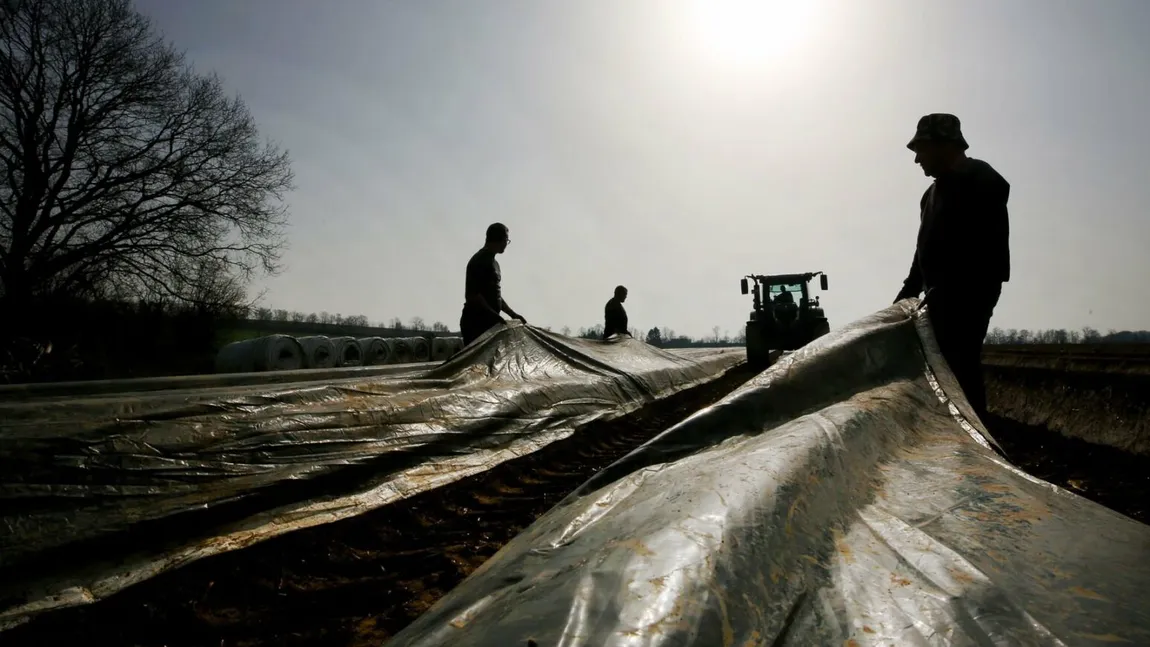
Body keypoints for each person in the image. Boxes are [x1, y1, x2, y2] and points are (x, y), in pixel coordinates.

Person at [894, 113, 1010, 417]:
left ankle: (977, 442)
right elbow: (922, 252)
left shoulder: (982, 179)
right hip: (938, 298)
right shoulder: (929, 196)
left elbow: (985, 250)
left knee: (959, 368)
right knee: (937, 374)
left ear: (943, 146)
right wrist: (906, 296)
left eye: (921, 149)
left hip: (969, 296)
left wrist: (951, 291)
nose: (917, 159)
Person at [459, 222, 526, 346]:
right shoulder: (479, 260)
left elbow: (496, 296)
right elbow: (473, 295)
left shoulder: (494, 263)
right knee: (478, 364)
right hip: (476, 324)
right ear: (498, 239)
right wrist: (495, 316)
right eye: (506, 239)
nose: (507, 243)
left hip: (490, 323)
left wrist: (513, 314)